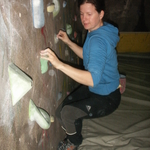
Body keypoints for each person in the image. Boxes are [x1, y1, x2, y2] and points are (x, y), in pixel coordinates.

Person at [40, 0, 121, 149]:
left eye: (89, 14)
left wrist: (59, 64)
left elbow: (92, 79)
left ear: (101, 14)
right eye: (82, 14)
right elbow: (87, 55)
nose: (84, 19)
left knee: (67, 114)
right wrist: (69, 42)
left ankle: (74, 142)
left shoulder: (98, 40)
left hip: (107, 97)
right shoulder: (98, 29)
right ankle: (75, 130)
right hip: (98, 88)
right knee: (60, 112)